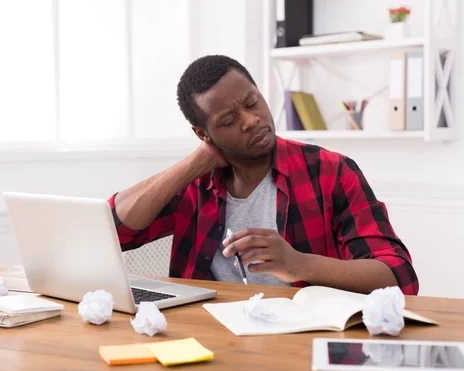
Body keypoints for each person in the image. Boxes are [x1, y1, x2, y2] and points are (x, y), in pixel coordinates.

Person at [108, 55, 418, 295]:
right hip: (207, 339)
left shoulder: (330, 171)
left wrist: (297, 264)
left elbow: (399, 276)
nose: (251, 120)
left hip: (300, 344)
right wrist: (191, 165)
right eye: (229, 120)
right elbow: (114, 232)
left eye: (252, 102)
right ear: (204, 134)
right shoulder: (195, 185)